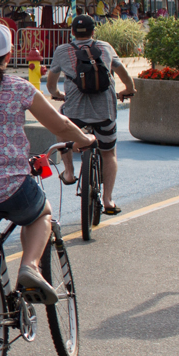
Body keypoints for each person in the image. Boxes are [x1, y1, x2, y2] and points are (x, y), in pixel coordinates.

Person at [0, 22, 96, 303]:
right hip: (7, 190)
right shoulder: (19, 89)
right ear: (10, 56)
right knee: (40, 214)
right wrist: (85, 140)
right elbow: (59, 125)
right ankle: (30, 267)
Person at [43, 14, 139, 214]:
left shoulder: (62, 51)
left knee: (61, 124)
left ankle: (69, 172)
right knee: (109, 153)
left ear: (72, 33)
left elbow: (51, 84)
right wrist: (128, 90)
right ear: (94, 31)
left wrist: (58, 94)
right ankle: (108, 201)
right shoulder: (105, 48)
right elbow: (124, 76)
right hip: (105, 111)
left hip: (75, 112)